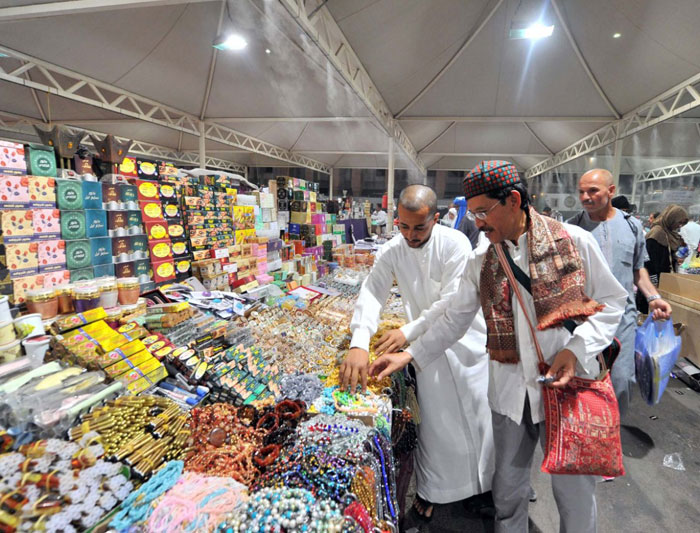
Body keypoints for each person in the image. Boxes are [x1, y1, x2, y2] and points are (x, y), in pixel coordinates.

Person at [368, 161, 627, 533]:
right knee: (508, 491)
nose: (478, 222)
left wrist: (576, 349)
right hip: (511, 395)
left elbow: (612, 301)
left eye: (483, 211)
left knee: (574, 492)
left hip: (569, 388)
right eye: (473, 213)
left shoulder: (574, 242)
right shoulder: (483, 260)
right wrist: (410, 354)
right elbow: (454, 318)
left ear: (514, 200)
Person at [340, 184, 493, 521]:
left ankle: (486, 490)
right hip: (425, 351)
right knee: (438, 426)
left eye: (419, 227)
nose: (410, 235)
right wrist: (359, 341)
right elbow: (372, 292)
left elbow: (452, 304)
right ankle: (437, 492)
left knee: (479, 418)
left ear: (435, 219)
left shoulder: (454, 244)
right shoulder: (393, 249)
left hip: (462, 342)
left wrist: (406, 332)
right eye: (404, 226)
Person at [568, 169, 672, 416]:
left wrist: (653, 297)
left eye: (592, 190)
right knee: (583, 379)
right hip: (583, 319)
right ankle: (586, 435)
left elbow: (638, 270)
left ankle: (612, 436)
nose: (585, 196)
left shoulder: (632, 226)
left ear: (611, 191)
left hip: (622, 319)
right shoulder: (571, 229)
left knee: (622, 380)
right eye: (581, 191)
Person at [638, 205, 689, 313]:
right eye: (678, 222)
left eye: (682, 224)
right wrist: (653, 284)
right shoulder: (657, 233)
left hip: (665, 281)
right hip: (653, 284)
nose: (679, 226)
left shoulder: (670, 234)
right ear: (671, 218)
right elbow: (648, 262)